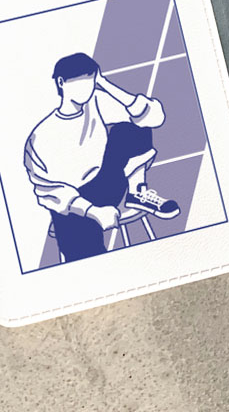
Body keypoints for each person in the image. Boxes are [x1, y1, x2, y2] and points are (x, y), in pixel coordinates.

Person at [24, 52, 180, 263]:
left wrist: (105, 83)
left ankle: (136, 192)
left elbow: (154, 117)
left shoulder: (95, 102)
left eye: (91, 79)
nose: (86, 87)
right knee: (88, 262)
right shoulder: (41, 136)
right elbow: (50, 191)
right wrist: (93, 211)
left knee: (133, 127)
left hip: (105, 183)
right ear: (61, 82)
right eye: (80, 80)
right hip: (71, 205)